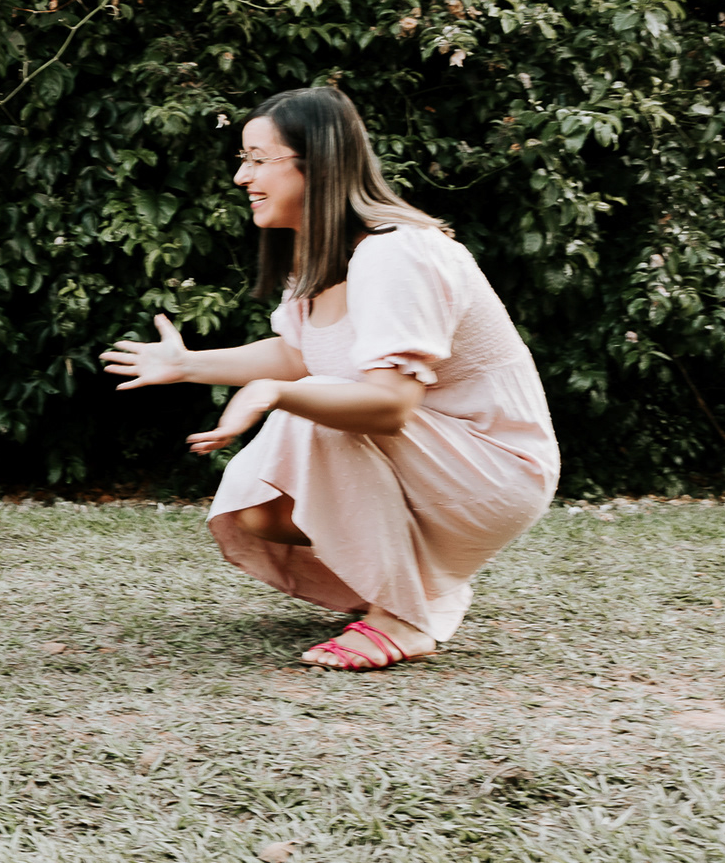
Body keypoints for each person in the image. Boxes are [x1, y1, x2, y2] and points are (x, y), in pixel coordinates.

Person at [101, 87, 559, 670]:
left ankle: (403, 615)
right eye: (243, 159)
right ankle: (414, 584)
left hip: (496, 467)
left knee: (316, 407)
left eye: (257, 159)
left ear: (316, 164)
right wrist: (188, 365)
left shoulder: (397, 252)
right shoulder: (321, 262)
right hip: (438, 461)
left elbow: (390, 404)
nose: (242, 176)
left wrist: (277, 395)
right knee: (256, 509)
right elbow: (300, 354)